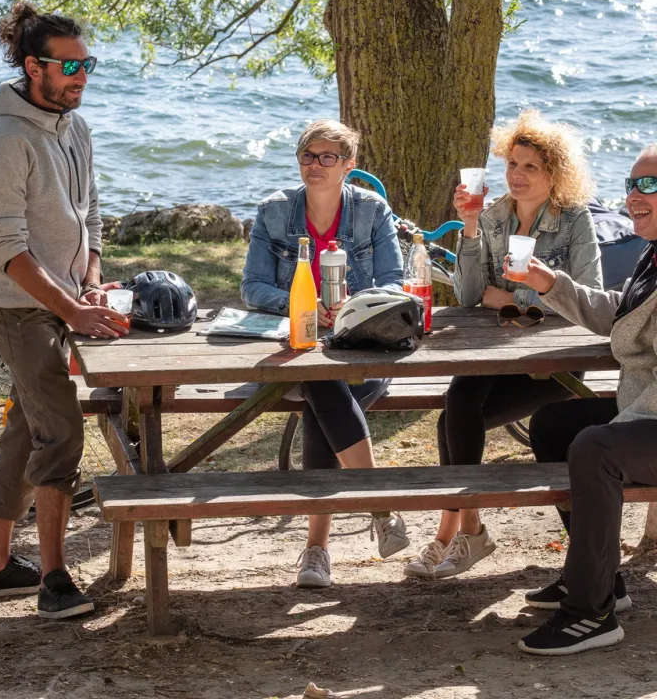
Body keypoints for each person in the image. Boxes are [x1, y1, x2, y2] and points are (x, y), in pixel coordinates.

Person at [0, 1, 129, 619]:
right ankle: (54, 578)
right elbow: (6, 248)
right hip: (19, 307)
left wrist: (89, 284)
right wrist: (72, 309)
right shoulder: (3, 140)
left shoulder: (74, 127)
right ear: (33, 67)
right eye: (69, 66)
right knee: (59, 430)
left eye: (86, 64)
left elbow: (89, 214)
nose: (81, 76)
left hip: (65, 300)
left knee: (24, 430)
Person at [406, 110, 602, 580]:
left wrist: (513, 297)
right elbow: (471, 296)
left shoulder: (574, 222)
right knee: (458, 404)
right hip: (499, 353)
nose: (517, 174)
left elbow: (590, 294)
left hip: (556, 361)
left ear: (554, 174)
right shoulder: (494, 218)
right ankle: (465, 532)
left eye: (530, 166)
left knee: (453, 419)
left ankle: (454, 535)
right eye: (513, 164)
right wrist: (469, 227)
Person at [241, 119, 407, 587]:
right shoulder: (274, 212)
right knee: (318, 379)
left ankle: (317, 550)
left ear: (348, 166)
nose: (315, 165)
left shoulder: (372, 211)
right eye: (308, 156)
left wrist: (351, 308)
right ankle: (378, 507)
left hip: (363, 345)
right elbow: (252, 288)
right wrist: (303, 305)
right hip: (297, 349)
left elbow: (393, 284)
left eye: (327, 157)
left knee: (322, 395)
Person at [516, 144, 657, 654]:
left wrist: (624, 426)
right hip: (643, 408)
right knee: (555, 424)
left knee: (596, 447)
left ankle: (590, 615)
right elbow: (624, 313)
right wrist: (551, 283)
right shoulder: (654, 253)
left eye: (650, 185)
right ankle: (599, 577)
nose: (634, 196)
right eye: (631, 184)